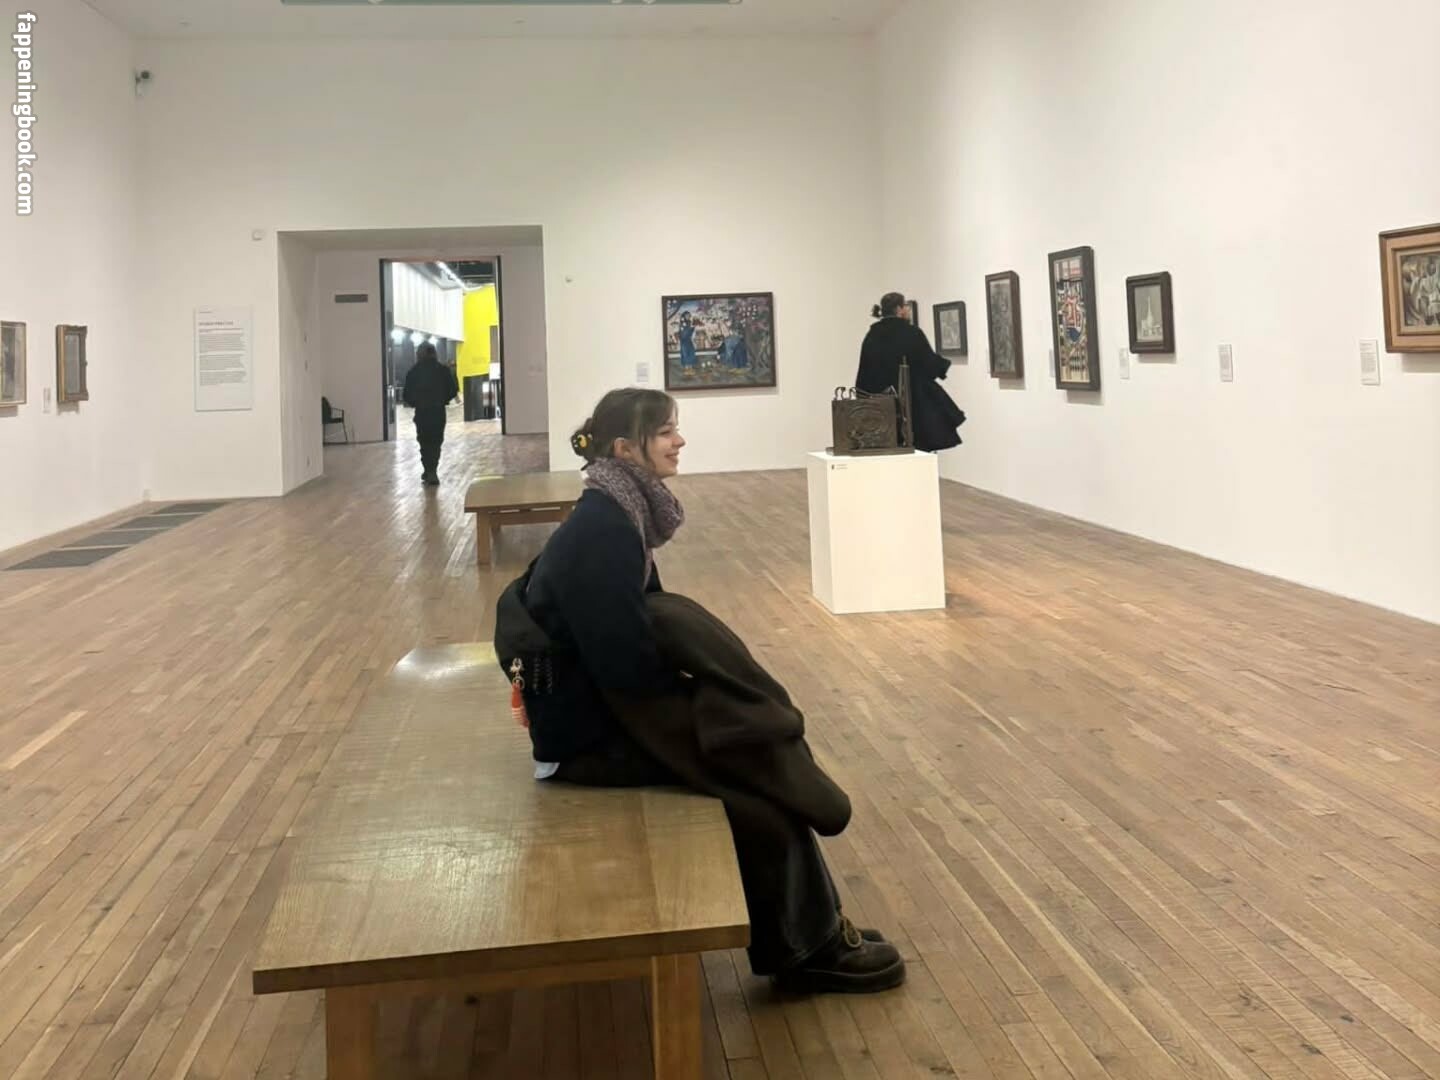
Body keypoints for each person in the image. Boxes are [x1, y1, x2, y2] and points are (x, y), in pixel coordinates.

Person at [493, 388, 906, 995]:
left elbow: (634, 644)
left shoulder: (619, 511)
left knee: (753, 754)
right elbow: (624, 668)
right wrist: (708, 714)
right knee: (757, 791)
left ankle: (812, 930)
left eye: (674, 429)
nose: (679, 441)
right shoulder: (604, 529)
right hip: (586, 738)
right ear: (625, 448)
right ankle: (809, 950)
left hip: (601, 711)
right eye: (665, 432)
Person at [857, 292, 966, 453]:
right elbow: (928, 363)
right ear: (898, 309)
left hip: (881, 404)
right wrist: (943, 365)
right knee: (918, 444)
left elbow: (865, 371)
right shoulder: (911, 333)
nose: (907, 310)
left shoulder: (872, 336)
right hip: (913, 401)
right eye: (905, 306)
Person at [401, 342, 460, 486]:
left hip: (422, 412)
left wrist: (416, 403)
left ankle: (429, 470)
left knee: (424, 441)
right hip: (438, 411)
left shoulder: (414, 371)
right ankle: (431, 470)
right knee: (436, 441)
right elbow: (453, 390)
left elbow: (406, 395)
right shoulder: (443, 370)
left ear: (420, 354)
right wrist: (443, 400)